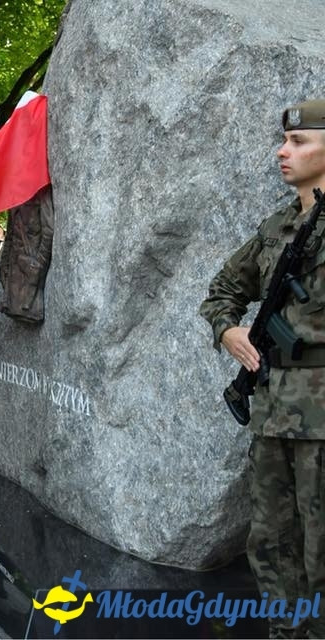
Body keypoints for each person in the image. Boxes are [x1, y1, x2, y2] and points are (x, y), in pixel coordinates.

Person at [200, 98, 325, 640]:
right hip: (274, 412)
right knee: (271, 540)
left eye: (298, 141)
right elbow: (223, 290)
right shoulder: (278, 227)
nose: (283, 151)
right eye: (284, 140)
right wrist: (228, 329)